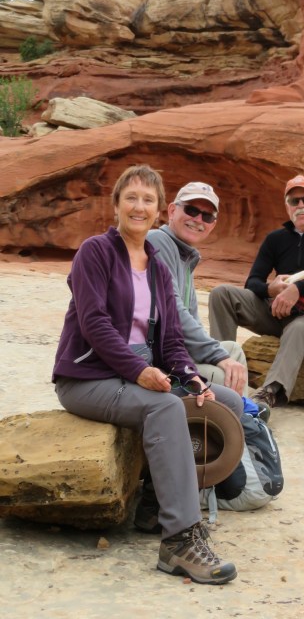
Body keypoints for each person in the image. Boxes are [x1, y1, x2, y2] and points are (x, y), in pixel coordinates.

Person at [52, 164, 238, 585]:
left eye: (148, 200)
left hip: (135, 372)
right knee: (166, 408)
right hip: (87, 378)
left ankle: (156, 505)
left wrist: (193, 378)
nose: (139, 207)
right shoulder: (95, 252)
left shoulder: (157, 266)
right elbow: (95, 323)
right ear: (116, 204)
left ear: (158, 211)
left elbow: (171, 339)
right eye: (131, 197)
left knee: (221, 402)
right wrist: (139, 371)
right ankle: (179, 541)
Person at [209, 175, 304, 409]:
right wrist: (270, 288)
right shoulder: (276, 239)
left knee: (298, 330)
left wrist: (298, 288)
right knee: (221, 294)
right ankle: (219, 369)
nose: (301, 206)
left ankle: (270, 391)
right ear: (287, 207)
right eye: (294, 201)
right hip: (275, 311)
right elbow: (252, 281)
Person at [147, 181, 249, 396]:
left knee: (233, 350)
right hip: (158, 359)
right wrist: (217, 356)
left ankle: (242, 414)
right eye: (191, 210)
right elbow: (173, 310)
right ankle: (240, 419)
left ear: (212, 225)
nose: (198, 220)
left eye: (207, 216)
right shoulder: (158, 240)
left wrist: (219, 353)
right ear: (172, 211)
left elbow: (192, 319)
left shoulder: (185, 256)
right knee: (223, 376)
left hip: (174, 353)